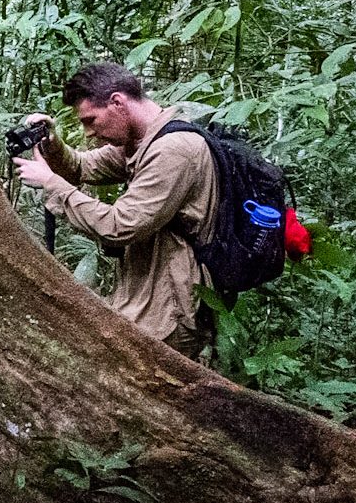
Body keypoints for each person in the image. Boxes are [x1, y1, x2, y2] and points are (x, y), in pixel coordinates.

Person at [13, 62, 220, 358]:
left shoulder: (173, 150)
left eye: (91, 120)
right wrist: (51, 144)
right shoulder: (140, 142)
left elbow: (120, 226)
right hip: (145, 295)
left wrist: (50, 184)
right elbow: (81, 166)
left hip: (168, 305)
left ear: (117, 102)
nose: (88, 133)